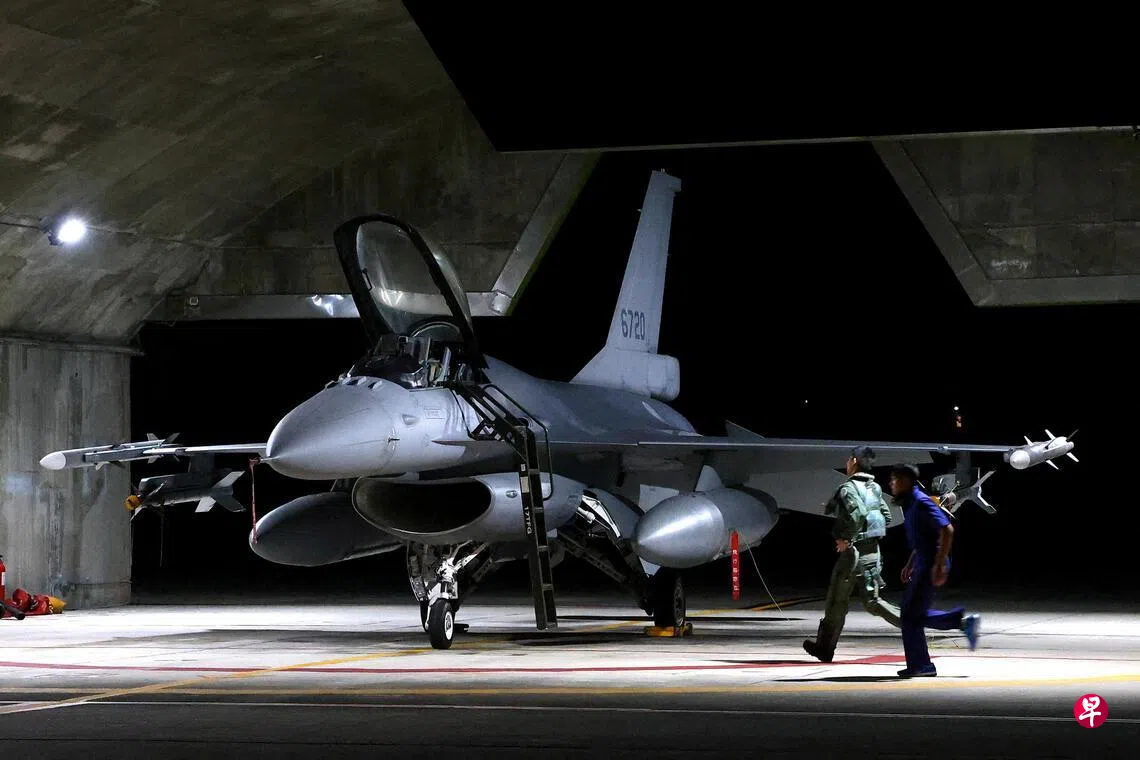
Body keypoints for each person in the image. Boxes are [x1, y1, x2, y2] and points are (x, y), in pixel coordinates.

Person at [803, 446, 902, 663]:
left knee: (836, 601)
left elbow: (857, 515)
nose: (847, 463)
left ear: (854, 461)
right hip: (873, 552)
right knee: (873, 602)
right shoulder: (875, 488)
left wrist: (846, 538)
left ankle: (824, 648)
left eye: (849, 459)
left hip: (853, 555)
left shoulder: (848, 489)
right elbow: (886, 517)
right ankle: (911, 624)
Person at [888, 463, 981, 677]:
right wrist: (911, 562)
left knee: (910, 615)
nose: (891, 484)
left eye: (895, 479)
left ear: (906, 481)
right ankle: (960, 624)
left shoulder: (922, 502)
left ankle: (922, 665)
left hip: (931, 562)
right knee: (911, 615)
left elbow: (947, 530)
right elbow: (924, 536)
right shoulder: (910, 503)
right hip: (923, 560)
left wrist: (938, 564)